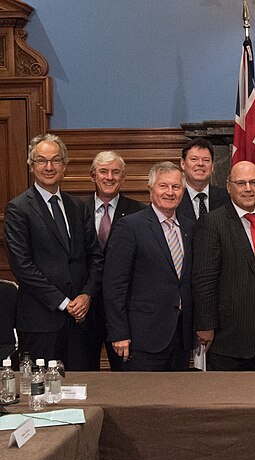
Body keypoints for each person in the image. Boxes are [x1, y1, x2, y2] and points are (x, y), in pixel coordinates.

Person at [4, 134, 103, 370]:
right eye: (41, 160)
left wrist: (86, 296)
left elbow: (95, 257)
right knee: (43, 396)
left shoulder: (77, 207)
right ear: (32, 166)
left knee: (86, 391)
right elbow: (22, 267)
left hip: (81, 320)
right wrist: (63, 302)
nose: (49, 167)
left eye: (56, 160)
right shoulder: (18, 209)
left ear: (65, 166)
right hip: (41, 323)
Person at [193, 161, 255, 371]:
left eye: (254, 182)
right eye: (241, 183)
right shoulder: (212, 223)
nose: (248, 188)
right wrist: (205, 325)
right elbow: (204, 280)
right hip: (230, 337)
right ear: (228, 186)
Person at [103, 162, 193, 371]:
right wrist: (119, 333)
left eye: (176, 187)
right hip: (141, 339)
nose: (170, 192)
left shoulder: (190, 227)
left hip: (180, 338)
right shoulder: (130, 227)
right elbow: (114, 285)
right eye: (163, 186)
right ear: (151, 189)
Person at [83, 151, 144, 370]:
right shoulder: (77, 210)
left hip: (124, 310)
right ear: (93, 176)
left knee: (126, 376)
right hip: (86, 310)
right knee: (85, 374)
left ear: (123, 177)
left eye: (115, 172)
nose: (109, 177)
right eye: (103, 171)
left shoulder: (139, 212)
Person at [177, 138, 229, 222]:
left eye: (206, 160)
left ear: (212, 166)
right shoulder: (174, 197)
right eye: (194, 159)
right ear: (183, 164)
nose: (200, 164)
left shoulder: (227, 198)